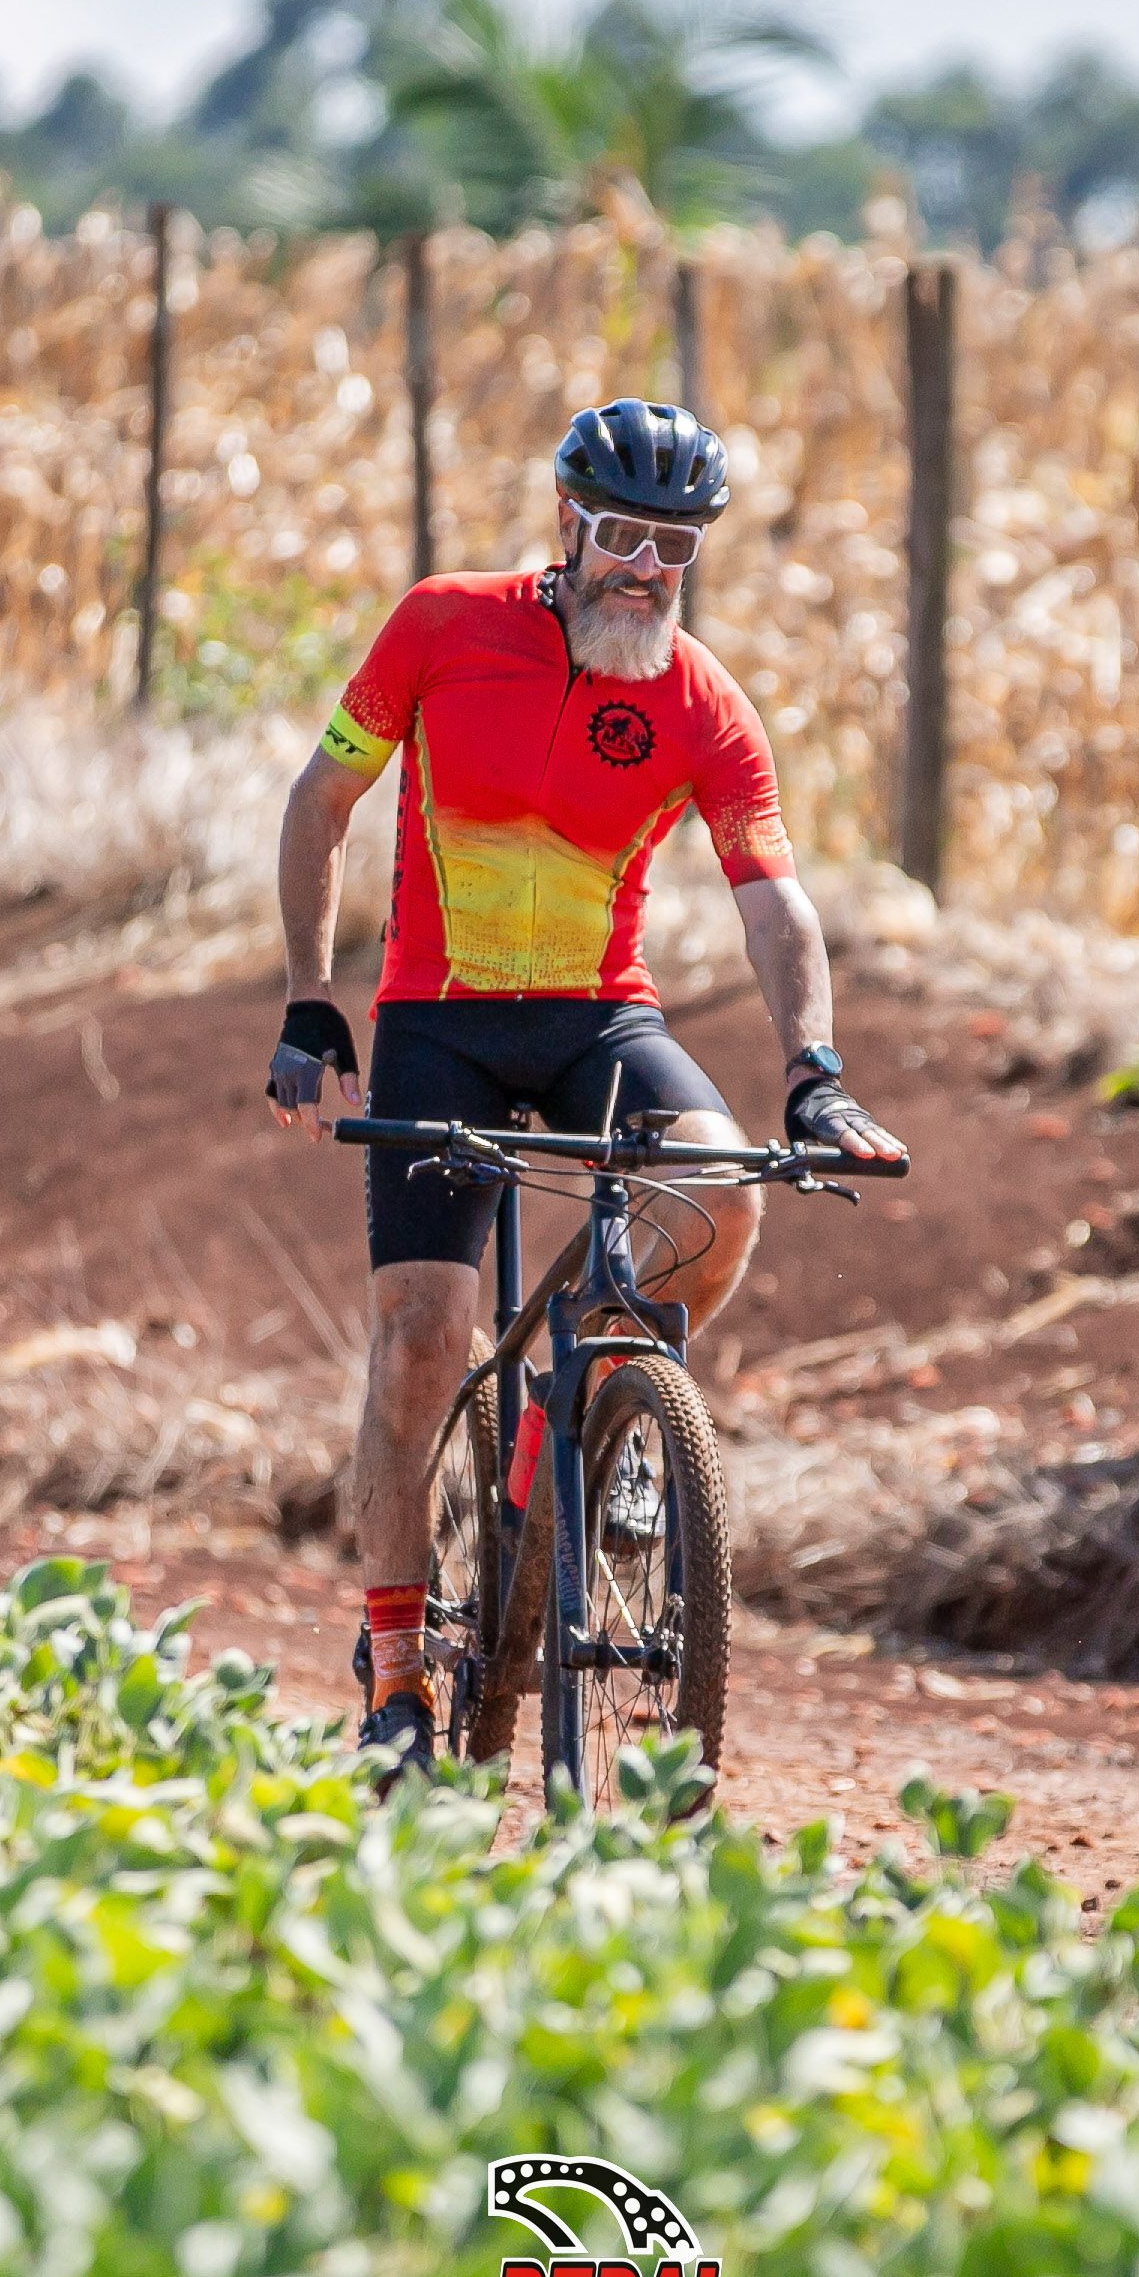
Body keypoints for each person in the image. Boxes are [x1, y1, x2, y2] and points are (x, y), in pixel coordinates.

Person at [266, 398, 907, 1780]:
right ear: (567, 523)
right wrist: (312, 1002)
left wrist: (813, 1072)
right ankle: (395, 1681)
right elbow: (321, 800)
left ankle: (595, 1406)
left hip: (596, 1017)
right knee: (422, 1339)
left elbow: (775, 903)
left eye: (675, 545)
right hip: (437, 1017)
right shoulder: (443, 626)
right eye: (622, 534)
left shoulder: (700, 701)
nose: (645, 568)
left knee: (721, 1192)